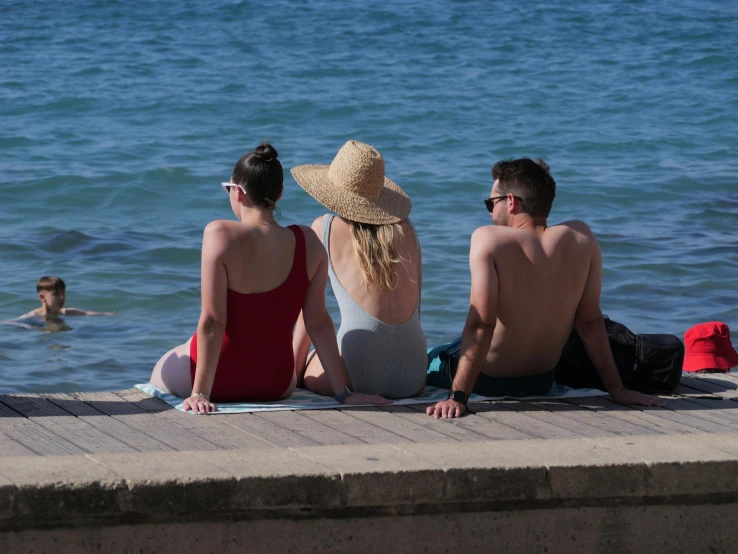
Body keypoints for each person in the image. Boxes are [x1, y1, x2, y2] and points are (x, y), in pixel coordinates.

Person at [149, 143, 391, 414]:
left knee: (163, 366)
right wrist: (343, 394)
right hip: (277, 383)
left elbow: (214, 321)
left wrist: (200, 393)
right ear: (279, 193)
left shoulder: (219, 234)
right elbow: (319, 324)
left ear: (238, 193)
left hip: (217, 381)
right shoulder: (308, 243)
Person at [426, 158, 666, 418]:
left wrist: (458, 397)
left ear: (511, 201)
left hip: (488, 381)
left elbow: (481, 325)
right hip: (540, 381)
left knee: (428, 357)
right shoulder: (582, 237)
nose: (490, 213)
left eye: (490, 203)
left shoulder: (488, 239)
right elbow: (590, 323)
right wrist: (618, 391)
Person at [290, 140, 427, 399]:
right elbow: (417, 310)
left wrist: (296, 379)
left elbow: (309, 317)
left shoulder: (324, 227)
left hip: (358, 376)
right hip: (414, 375)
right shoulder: (407, 228)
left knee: (312, 360)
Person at [14, 276, 114, 320]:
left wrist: (114, 315)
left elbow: (94, 314)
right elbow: (12, 323)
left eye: (63, 293)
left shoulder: (69, 313)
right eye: (56, 294)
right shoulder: (33, 316)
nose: (62, 297)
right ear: (42, 297)